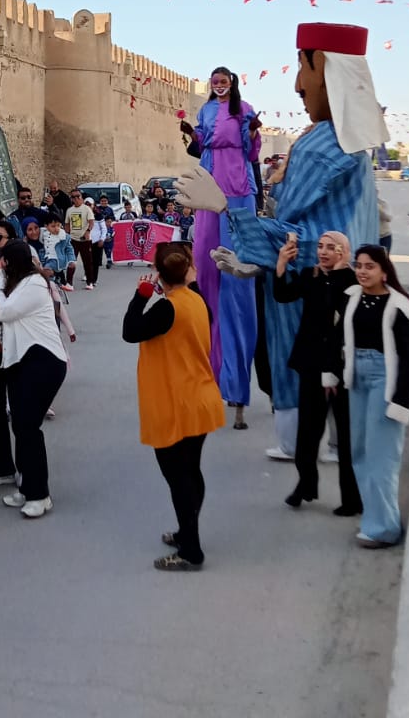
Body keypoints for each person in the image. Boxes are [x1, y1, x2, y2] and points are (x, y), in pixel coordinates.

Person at [176, 23, 387, 464]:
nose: (296, 85)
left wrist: (229, 212)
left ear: (325, 68)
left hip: (311, 292)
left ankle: (306, 442)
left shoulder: (324, 147)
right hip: (333, 289)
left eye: (302, 68)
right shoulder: (348, 143)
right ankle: (327, 442)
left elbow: (305, 240)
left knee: (306, 362)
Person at [122, 242, 225, 570]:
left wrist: (141, 294)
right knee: (190, 472)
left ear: (159, 274)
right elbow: (189, 286)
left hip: (175, 403)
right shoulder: (197, 300)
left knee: (178, 478)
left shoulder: (167, 308)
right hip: (200, 399)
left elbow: (130, 331)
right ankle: (187, 533)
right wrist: (185, 278)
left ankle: (191, 550)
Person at [181, 67, 261, 431]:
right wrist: (191, 136)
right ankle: (210, 373)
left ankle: (237, 383)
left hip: (237, 190)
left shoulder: (243, 109)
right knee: (205, 273)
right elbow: (198, 148)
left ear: (232, 82)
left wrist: (255, 131)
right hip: (208, 186)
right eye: (214, 79)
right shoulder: (206, 111)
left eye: (223, 79)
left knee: (237, 284)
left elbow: (252, 150)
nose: (218, 84)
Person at [340, 245, 409, 548]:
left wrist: (401, 402)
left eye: (370, 266)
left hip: (384, 380)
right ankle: (376, 517)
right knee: (359, 452)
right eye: (359, 265)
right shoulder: (353, 298)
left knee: (381, 456)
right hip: (357, 378)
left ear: (384, 271)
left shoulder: (400, 306)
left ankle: (384, 528)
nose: (362, 271)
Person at [273, 232, 362, 516]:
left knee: (346, 437)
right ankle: (306, 485)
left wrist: (337, 274)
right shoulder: (311, 276)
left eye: (331, 248)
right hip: (311, 365)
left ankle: (352, 498)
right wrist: (281, 264)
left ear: (344, 252)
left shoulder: (352, 282)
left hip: (341, 368)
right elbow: (282, 295)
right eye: (321, 247)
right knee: (308, 432)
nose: (323, 252)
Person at [0, 240, 67, 519]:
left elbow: (4, 312)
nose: (1, 265)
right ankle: (27, 486)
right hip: (22, 361)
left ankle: (40, 495)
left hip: (43, 361)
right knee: (20, 424)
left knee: (29, 427)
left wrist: (0, 280)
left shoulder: (33, 284)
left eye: (4, 261)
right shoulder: (19, 285)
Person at [65, 189, 99, 290]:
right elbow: (67, 224)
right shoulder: (69, 210)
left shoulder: (87, 209)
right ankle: (69, 283)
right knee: (71, 261)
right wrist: (66, 235)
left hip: (85, 240)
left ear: (81, 197)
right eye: (73, 197)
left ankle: (90, 282)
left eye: (78, 196)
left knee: (87, 262)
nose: (76, 199)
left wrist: (87, 231)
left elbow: (91, 222)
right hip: (73, 239)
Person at [95, 195, 117, 269]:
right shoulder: (97, 209)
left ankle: (109, 260)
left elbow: (113, 217)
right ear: (100, 202)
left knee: (108, 246)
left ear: (107, 202)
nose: (104, 202)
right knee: (99, 245)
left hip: (107, 229)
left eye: (105, 201)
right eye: (102, 201)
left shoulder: (110, 209)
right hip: (99, 229)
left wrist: (112, 221)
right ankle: (98, 261)